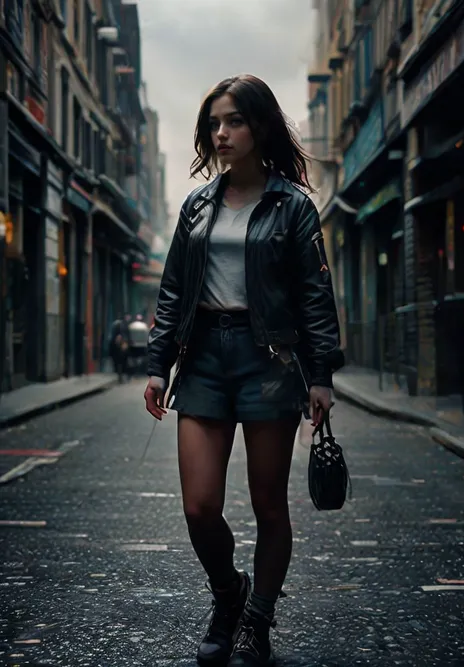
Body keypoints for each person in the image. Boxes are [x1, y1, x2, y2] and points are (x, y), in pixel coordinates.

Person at [144, 74, 343, 667]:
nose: (221, 133)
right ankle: (229, 596)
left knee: (269, 504)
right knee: (199, 506)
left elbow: (314, 295)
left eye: (233, 121)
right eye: (214, 124)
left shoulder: (293, 207)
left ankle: (258, 621)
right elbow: (174, 288)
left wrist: (321, 374)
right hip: (203, 356)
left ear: (259, 127)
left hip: (269, 362)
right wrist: (158, 365)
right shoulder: (197, 205)